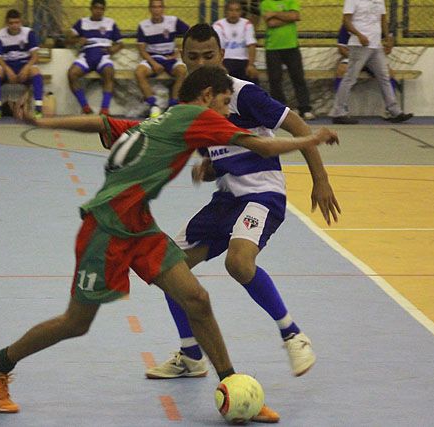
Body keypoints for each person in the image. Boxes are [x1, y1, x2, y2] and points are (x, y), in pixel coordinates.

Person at [0, 65, 339, 420]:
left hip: (140, 227)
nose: (228, 111)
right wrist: (313, 138)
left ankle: (234, 387)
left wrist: (41, 121)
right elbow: (260, 146)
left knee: (196, 298)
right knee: (75, 323)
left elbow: (101, 123)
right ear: (208, 96)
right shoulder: (200, 117)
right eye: (226, 102)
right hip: (107, 229)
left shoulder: (161, 119)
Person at [145, 26, 340, 424]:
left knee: (239, 262)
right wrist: (210, 163)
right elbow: (223, 144)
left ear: (222, 53)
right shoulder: (190, 102)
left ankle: (292, 334)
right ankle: (191, 355)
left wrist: (321, 179)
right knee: (168, 267)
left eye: (209, 55)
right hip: (226, 198)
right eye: (194, 57)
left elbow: (298, 127)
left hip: (262, 194)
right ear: (183, 57)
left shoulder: (243, 93)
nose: (202, 63)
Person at [330, 0, 413, 124]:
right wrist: (359, 35)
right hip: (359, 45)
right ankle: (338, 112)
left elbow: (383, 19)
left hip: (376, 45)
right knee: (350, 78)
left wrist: (387, 37)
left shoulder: (379, 0)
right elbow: (346, 21)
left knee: (384, 76)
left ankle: (395, 111)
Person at [260, 0, 314, 120]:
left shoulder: (291, 1)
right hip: (273, 47)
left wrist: (274, 13)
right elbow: (271, 23)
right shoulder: (265, 3)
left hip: (291, 46)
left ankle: (305, 109)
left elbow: (296, 16)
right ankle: (280, 109)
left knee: (298, 77)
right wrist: (287, 17)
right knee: (275, 79)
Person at [67, 0, 123, 116]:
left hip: (103, 55)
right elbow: (68, 40)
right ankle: (85, 107)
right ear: (91, 9)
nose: (99, 11)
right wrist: (78, 40)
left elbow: (120, 43)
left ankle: (104, 110)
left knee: (109, 72)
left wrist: (114, 49)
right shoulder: (82, 22)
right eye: (96, 8)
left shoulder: (110, 23)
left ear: (104, 10)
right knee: (72, 74)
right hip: (86, 56)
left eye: (101, 9)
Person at [135, 0, 189, 119]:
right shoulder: (143, 25)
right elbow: (142, 49)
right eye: (154, 7)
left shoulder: (173, 21)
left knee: (182, 71)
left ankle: (173, 105)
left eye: (159, 7)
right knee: (139, 72)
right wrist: (153, 63)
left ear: (163, 9)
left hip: (170, 57)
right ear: (150, 9)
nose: (157, 10)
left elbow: (190, 34)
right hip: (153, 57)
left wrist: (179, 51)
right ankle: (153, 106)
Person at [0, 9, 44, 120]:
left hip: (24, 65)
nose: (14, 25)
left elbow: (35, 56)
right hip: (7, 65)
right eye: (11, 23)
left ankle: (38, 108)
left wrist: (26, 68)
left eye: (17, 22)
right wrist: (8, 70)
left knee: (35, 71)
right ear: (7, 23)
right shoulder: (0, 35)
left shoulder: (28, 33)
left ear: (21, 22)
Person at [213, 0, 259, 85]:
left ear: (241, 12)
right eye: (231, 10)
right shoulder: (218, 25)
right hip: (225, 61)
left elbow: (251, 45)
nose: (234, 13)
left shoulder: (247, 24)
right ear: (226, 12)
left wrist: (251, 65)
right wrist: (220, 65)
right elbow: (217, 48)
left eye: (237, 10)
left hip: (243, 61)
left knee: (253, 77)